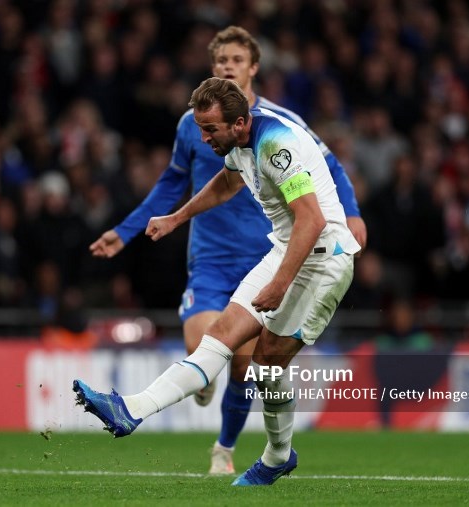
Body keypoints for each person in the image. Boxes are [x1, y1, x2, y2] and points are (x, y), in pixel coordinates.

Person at [88, 26, 366, 475]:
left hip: (324, 258)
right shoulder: (238, 141)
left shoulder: (276, 144)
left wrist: (278, 285)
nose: (203, 139)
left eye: (210, 130)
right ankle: (129, 410)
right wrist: (177, 217)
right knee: (219, 339)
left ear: (238, 122)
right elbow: (227, 181)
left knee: (264, 361)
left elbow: (312, 220)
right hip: (284, 248)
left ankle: (276, 457)